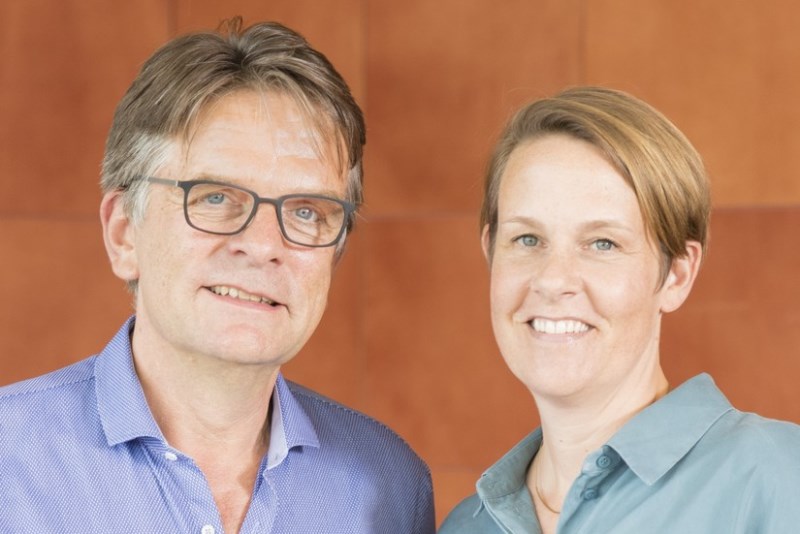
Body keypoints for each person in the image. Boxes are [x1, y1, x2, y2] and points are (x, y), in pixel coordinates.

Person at [0, 19, 434, 534]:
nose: (263, 244)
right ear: (124, 233)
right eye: (214, 198)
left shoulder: (390, 488)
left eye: (306, 211)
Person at [439, 86, 800, 533]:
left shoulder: (778, 478)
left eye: (602, 243)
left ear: (677, 275)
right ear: (491, 253)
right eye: (527, 239)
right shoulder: (465, 527)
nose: (553, 279)